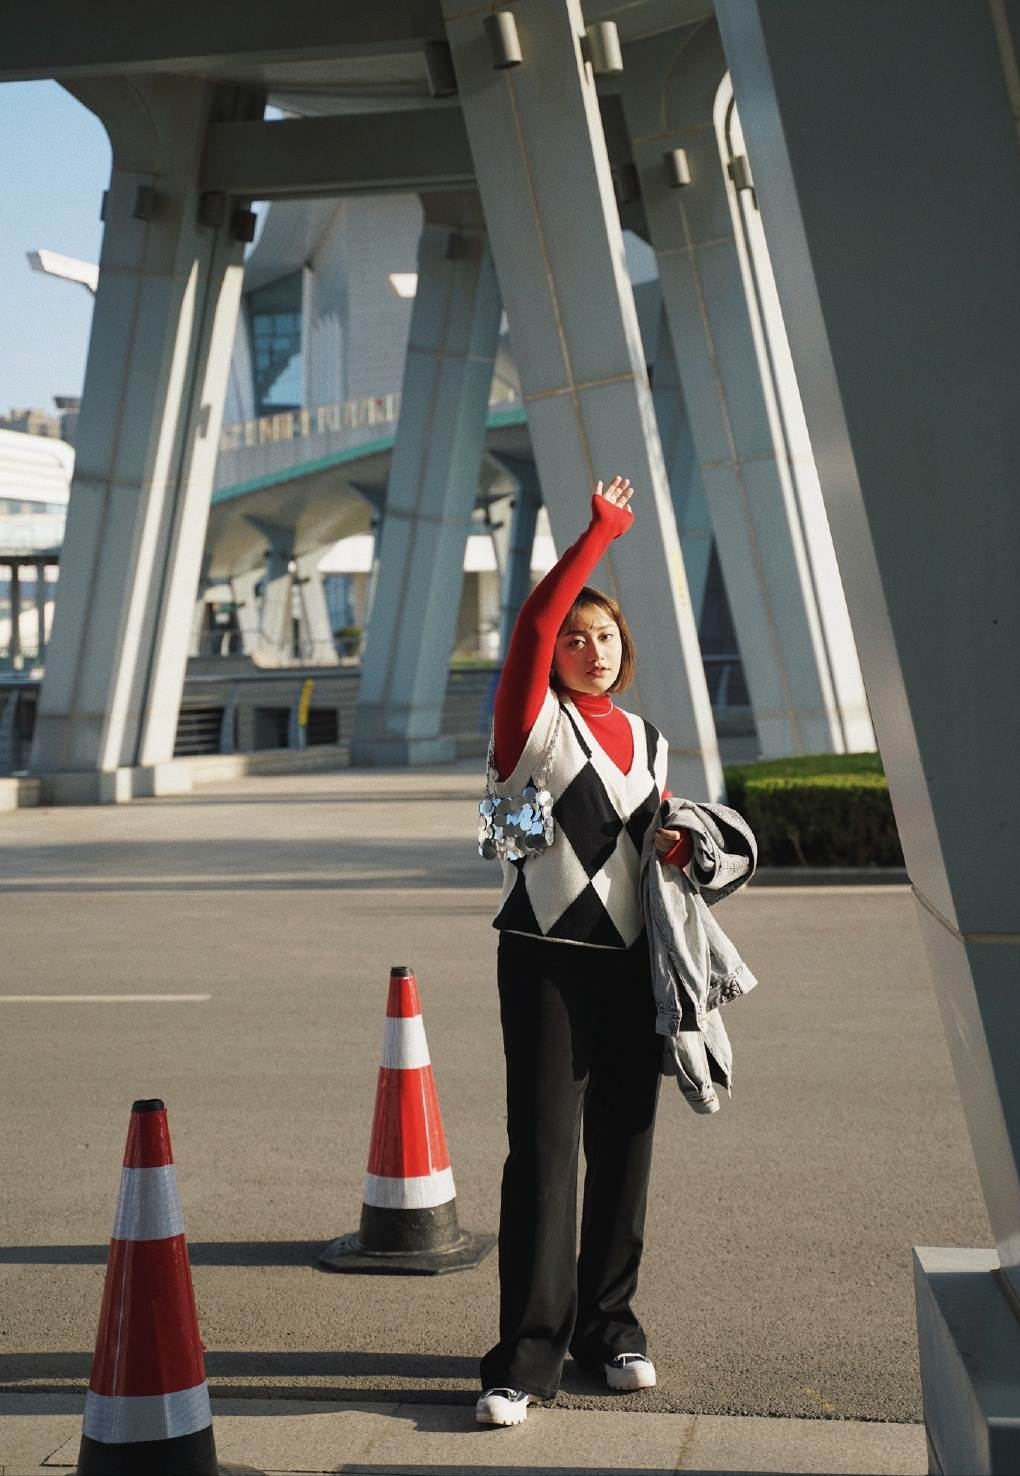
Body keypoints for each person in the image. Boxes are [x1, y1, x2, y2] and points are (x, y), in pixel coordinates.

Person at [477, 475, 693, 1428]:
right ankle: (525, 1356)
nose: (589, 649)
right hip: (546, 959)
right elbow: (528, 626)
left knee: (626, 1148)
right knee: (545, 1156)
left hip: (635, 962)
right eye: (578, 634)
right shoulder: (531, 723)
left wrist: (683, 844)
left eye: (604, 636)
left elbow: (656, 848)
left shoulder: (648, 737)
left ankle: (612, 1326)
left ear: (625, 651)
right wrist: (601, 532)